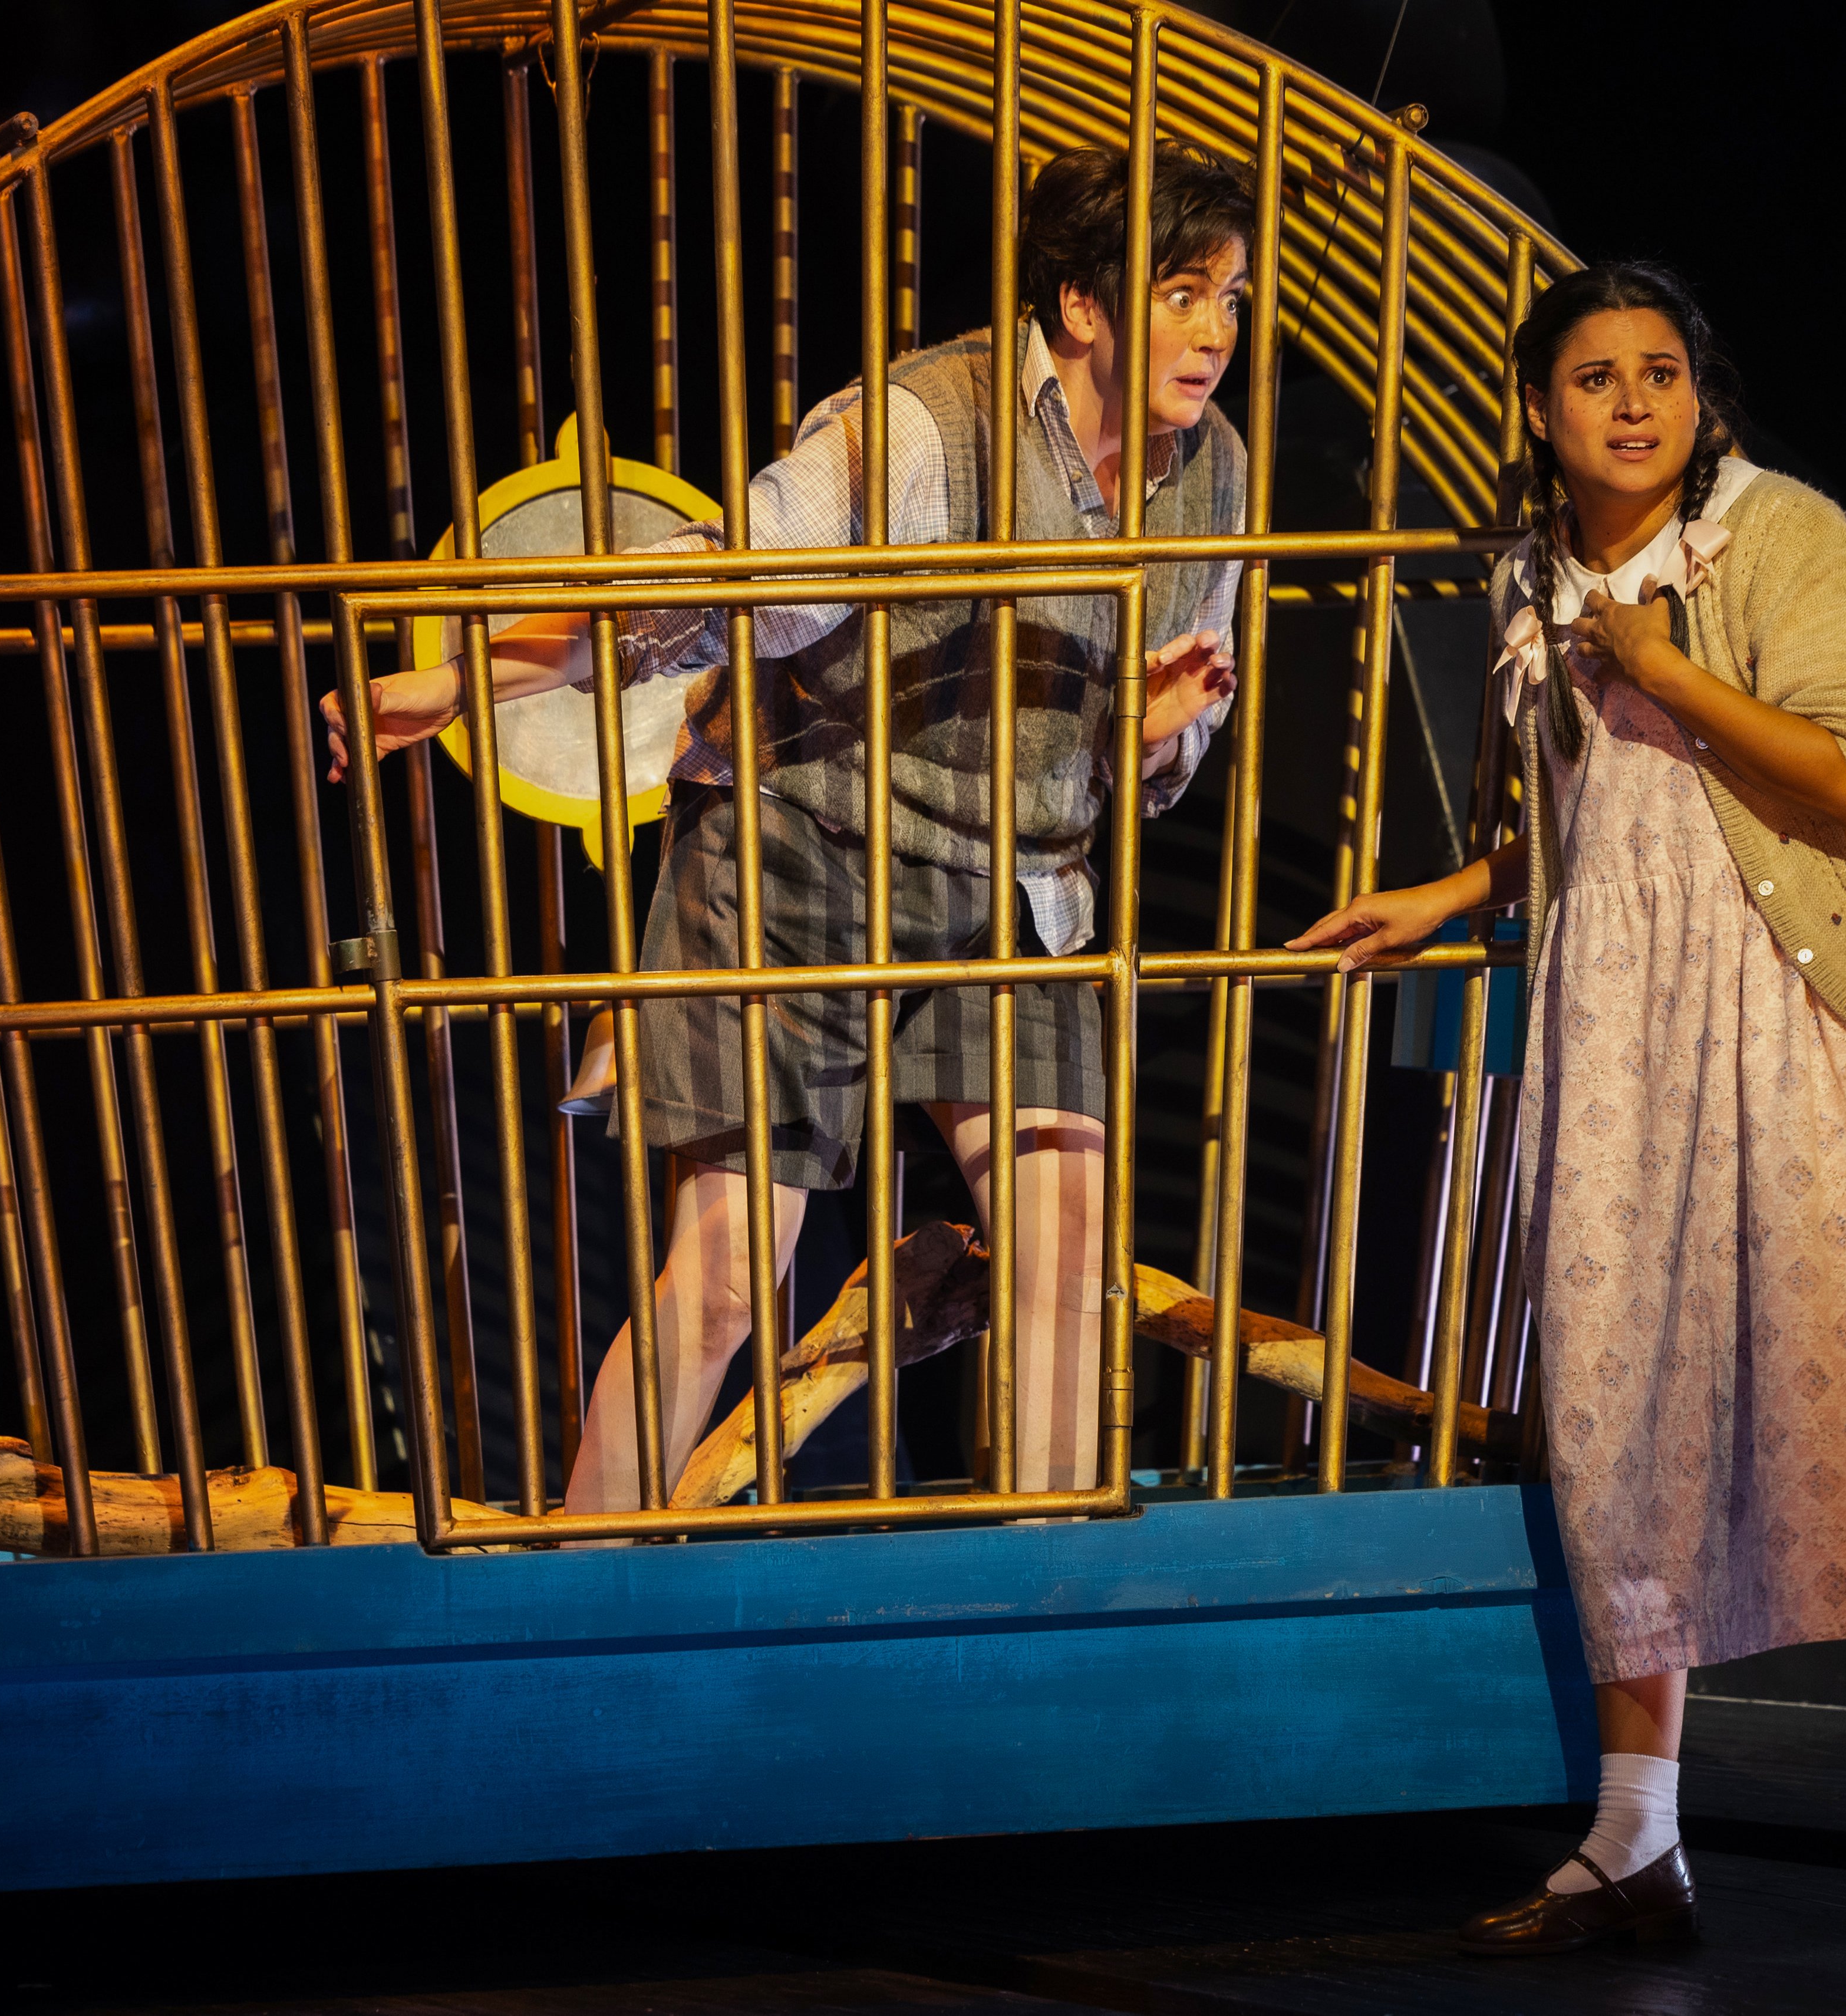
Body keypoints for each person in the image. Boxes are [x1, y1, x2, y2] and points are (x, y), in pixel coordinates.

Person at [1288, 263, 1846, 1980]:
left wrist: (1652, 656)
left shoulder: (1780, 536)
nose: (1630, 403)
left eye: (1660, 373)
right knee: (1626, 1383)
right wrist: (1444, 889)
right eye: (1592, 377)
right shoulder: (1529, 578)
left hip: (1815, 997)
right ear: (1539, 411)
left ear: (1702, 400)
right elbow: (1595, 814)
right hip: (1628, 1018)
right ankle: (1636, 1833)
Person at [332, 144, 1252, 1507]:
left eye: (1232, 297)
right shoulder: (930, 425)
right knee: (718, 1281)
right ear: (1079, 303)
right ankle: (580, 1604)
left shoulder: (1214, 473)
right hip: (804, 853)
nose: (1217, 332)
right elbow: (712, 590)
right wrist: (460, 678)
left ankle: (1052, 1614)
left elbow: (1140, 742)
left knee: (1066, 1260)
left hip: (1016, 889)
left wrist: (1153, 732)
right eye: (1183, 292)